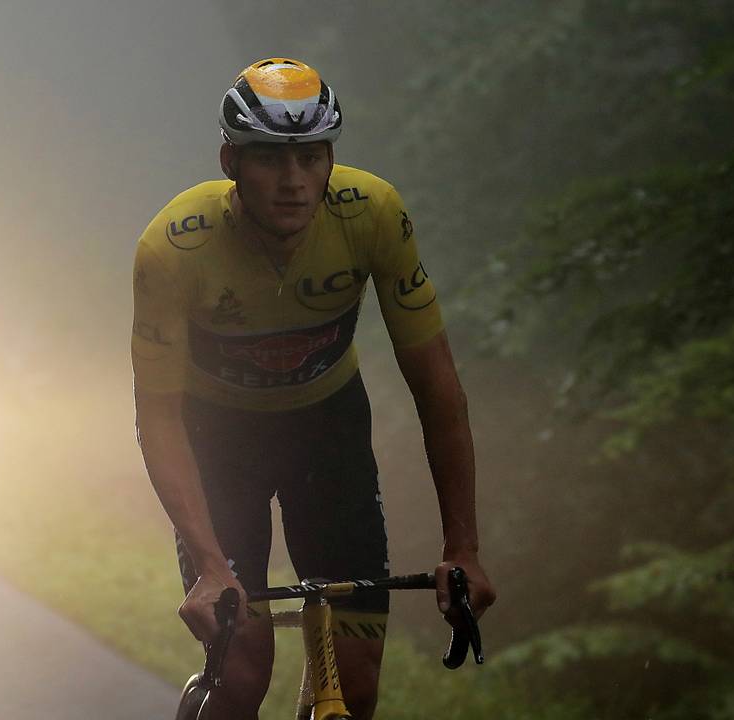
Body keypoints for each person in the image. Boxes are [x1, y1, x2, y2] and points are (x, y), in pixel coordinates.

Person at [131, 58, 497, 719]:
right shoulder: (173, 247)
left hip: (327, 434)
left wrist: (463, 548)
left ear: (331, 160)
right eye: (270, 158)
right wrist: (210, 564)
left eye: (311, 157)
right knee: (242, 676)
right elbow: (157, 416)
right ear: (231, 160)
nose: (294, 181)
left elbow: (438, 389)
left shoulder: (373, 213)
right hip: (220, 445)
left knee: (354, 690)